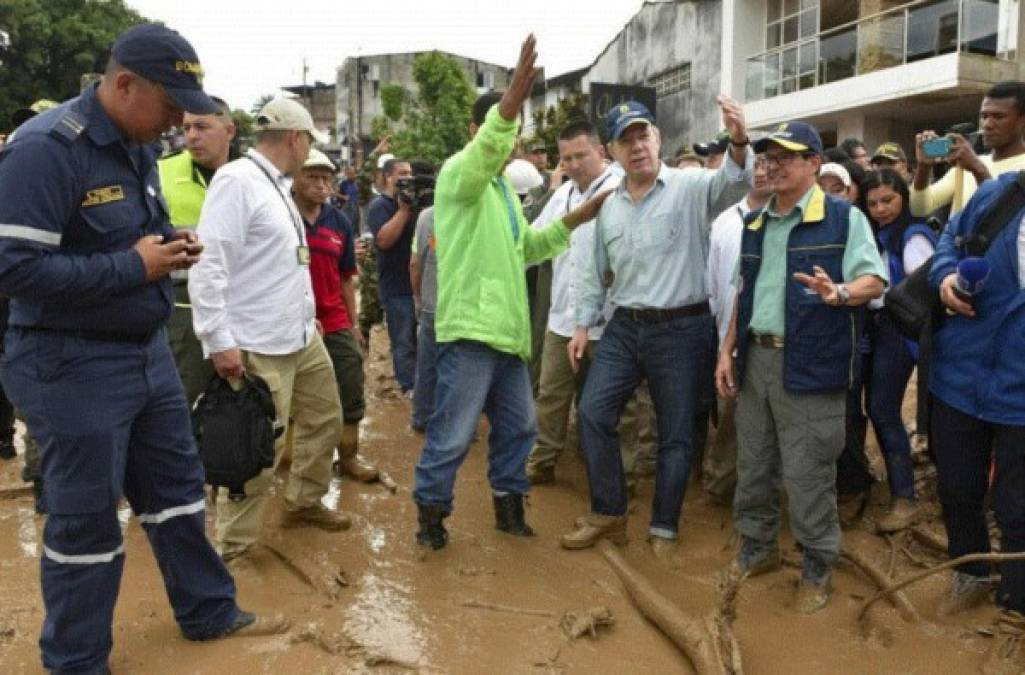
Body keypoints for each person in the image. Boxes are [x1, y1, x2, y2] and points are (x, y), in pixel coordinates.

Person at [0, 23, 289, 672]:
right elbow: (12, 270)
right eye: (170, 106)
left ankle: (208, 610)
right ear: (124, 84)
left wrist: (170, 245)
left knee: (180, 491)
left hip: (144, 351)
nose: (176, 122)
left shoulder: (134, 143)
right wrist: (134, 266)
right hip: (69, 362)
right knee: (86, 524)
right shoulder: (45, 150)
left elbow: (139, 233)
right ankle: (75, 660)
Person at [411, 34, 612, 550]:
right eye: (507, 130)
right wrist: (513, 99)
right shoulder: (461, 177)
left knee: (520, 429)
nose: (514, 141)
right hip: (471, 334)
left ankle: (508, 507)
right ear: (478, 132)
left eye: (517, 133)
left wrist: (578, 216)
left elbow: (529, 248)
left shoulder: (502, 193)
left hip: (509, 338)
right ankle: (431, 519)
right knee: (453, 436)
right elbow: (489, 146)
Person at [559, 97, 754, 554]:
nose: (637, 146)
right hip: (625, 325)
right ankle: (609, 512)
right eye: (625, 140)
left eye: (643, 135)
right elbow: (594, 267)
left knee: (677, 432)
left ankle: (664, 525)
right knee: (592, 413)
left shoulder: (690, 187)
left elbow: (734, 183)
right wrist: (582, 324)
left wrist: (740, 139)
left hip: (683, 328)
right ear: (611, 150)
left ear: (658, 139)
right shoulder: (607, 205)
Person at [715, 121, 887, 613]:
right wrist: (725, 352)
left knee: (809, 471)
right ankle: (758, 547)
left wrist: (840, 293)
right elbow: (740, 294)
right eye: (768, 156)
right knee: (755, 463)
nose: (773, 163)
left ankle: (817, 563)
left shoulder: (842, 219)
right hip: (755, 360)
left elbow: (874, 280)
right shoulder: (755, 222)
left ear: (814, 163)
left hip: (811, 362)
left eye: (787, 156)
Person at [190, 97, 352, 562]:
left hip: (302, 336)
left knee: (325, 420)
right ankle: (235, 552)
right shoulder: (238, 182)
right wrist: (218, 341)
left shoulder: (278, 185)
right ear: (296, 138)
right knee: (255, 448)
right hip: (257, 345)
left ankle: (303, 502)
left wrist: (306, 313)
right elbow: (210, 266)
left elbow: (280, 263)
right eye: (309, 144)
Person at [927, 169, 1025, 672]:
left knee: (1018, 506)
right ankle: (969, 574)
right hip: (959, 381)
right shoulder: (997, 193)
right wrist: (945, 276)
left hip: (1020, 398)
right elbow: (948, 240)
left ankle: (1015, 609)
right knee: (958, 487)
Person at [293, 148, 379, 483]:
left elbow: (346, 277)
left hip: (334, 319)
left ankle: (349, 458)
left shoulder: (339, 222)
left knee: (350, 383)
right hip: (291, 319)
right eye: (311, 177)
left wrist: (354, 323)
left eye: (326, 178)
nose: (320, 185)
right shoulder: (283, 216)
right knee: (287, 395)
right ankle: (287, 461)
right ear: (295, 179)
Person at [857, 169, 936, 532]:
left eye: (887, 200)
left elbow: (925, 292)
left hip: (900, 331)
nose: (880, 209)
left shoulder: (913, 236)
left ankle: (905, 498)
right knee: (880, 409)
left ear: (903, 197)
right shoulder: (879, 234)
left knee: (883, 409)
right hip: (884, 329)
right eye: (873, 203)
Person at [702, 154, 772, 505]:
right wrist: (721, 343)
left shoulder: (787, 219)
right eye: (755, 166)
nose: (761, 173)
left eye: (767, 165)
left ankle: (764, 496)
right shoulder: (725, 223)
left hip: (771, 339)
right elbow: (713, 283)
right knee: (729, 415)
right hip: (728, 337)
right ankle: (720, 484)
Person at [158, 96, 236, 405]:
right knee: (184, 403)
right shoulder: (161, 173)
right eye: (187, 127)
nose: (191, 136)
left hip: (243, 306)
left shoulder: (252, 177)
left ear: (229, 131)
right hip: (183, 311)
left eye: (202, 127)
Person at [911, 81, 1025, 218]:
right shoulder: (965, 165)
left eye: (999, 117)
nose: (987, 125)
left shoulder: (972, 164)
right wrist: (923, 167)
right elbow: (919, 209)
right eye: (984, 116)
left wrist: (978, 170)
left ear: (1022, 120)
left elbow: (1004, 216)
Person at [367, 157, 418, 394]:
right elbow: (384, 241)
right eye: (402, 173)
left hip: (419, 285)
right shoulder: (380, 206)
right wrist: (404, 211)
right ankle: (407, 389)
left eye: (410, 173)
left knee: (421, 342)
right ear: (388, 177)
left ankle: (420, 386)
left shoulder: (417, 204)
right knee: (403, 341)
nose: (407, 177)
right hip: (396, 286)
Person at [410, 204, 438, 433]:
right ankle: (453, 424)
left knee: (427, 366)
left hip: (432, 304)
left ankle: (422, 417)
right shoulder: (480, 213)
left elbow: (415, 263)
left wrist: (418, 297)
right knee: (454, 368)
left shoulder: (428, 216)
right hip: (462, 310)